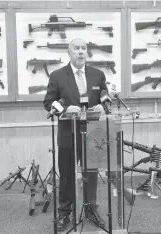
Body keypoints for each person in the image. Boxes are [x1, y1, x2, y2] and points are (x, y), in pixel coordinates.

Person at [43, 38, 108, 231]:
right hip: (68, 134)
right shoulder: (57, 75)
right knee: (67, 176)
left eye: (84, 48)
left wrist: (102, 105)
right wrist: (63, 108)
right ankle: (65, 213)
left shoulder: (98, 75)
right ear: (69, 53)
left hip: (93, 132)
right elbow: (48, 102)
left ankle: (90, 209)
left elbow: (105, 96)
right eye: (76, 49)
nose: (80, 52)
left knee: (92, 174)